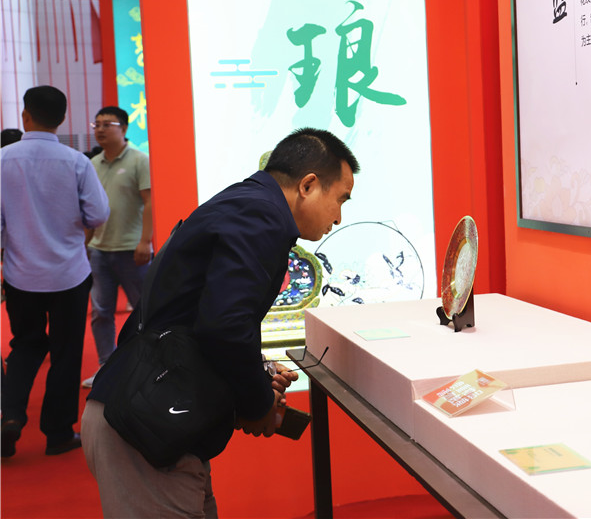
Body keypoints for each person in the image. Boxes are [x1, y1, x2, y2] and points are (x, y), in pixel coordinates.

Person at [81, 127, 358, 517]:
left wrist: (257, 372)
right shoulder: (262, 216)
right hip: (143, 429)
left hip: (146, 415)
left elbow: (199, 319)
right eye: (340, 199)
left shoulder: (246, 204)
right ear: (308, 185)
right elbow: (225, 328)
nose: (339, 217)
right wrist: (259, 404)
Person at [0, 85, 110, 458]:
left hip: (21, 275)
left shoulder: (3, 160)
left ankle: (10, 415)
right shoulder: (76, 161)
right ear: (62, 119)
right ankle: (59, 433)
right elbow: (98, 214)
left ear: (25, 116)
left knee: (25, 345)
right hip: (69, 275)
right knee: (66, 352)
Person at [81, 106, 153, 389]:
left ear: (123, 128)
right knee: (101, 312)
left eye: (106, 124)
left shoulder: (139, 160)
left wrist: (145, 241)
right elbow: (88, 210)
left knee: (145, 312)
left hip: (132, 250)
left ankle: (149, 367)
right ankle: (106, 368)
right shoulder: (92, 164)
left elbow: (150, 202)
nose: (99, 129)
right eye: (96, 124)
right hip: (99, 250)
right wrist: (84, 244)